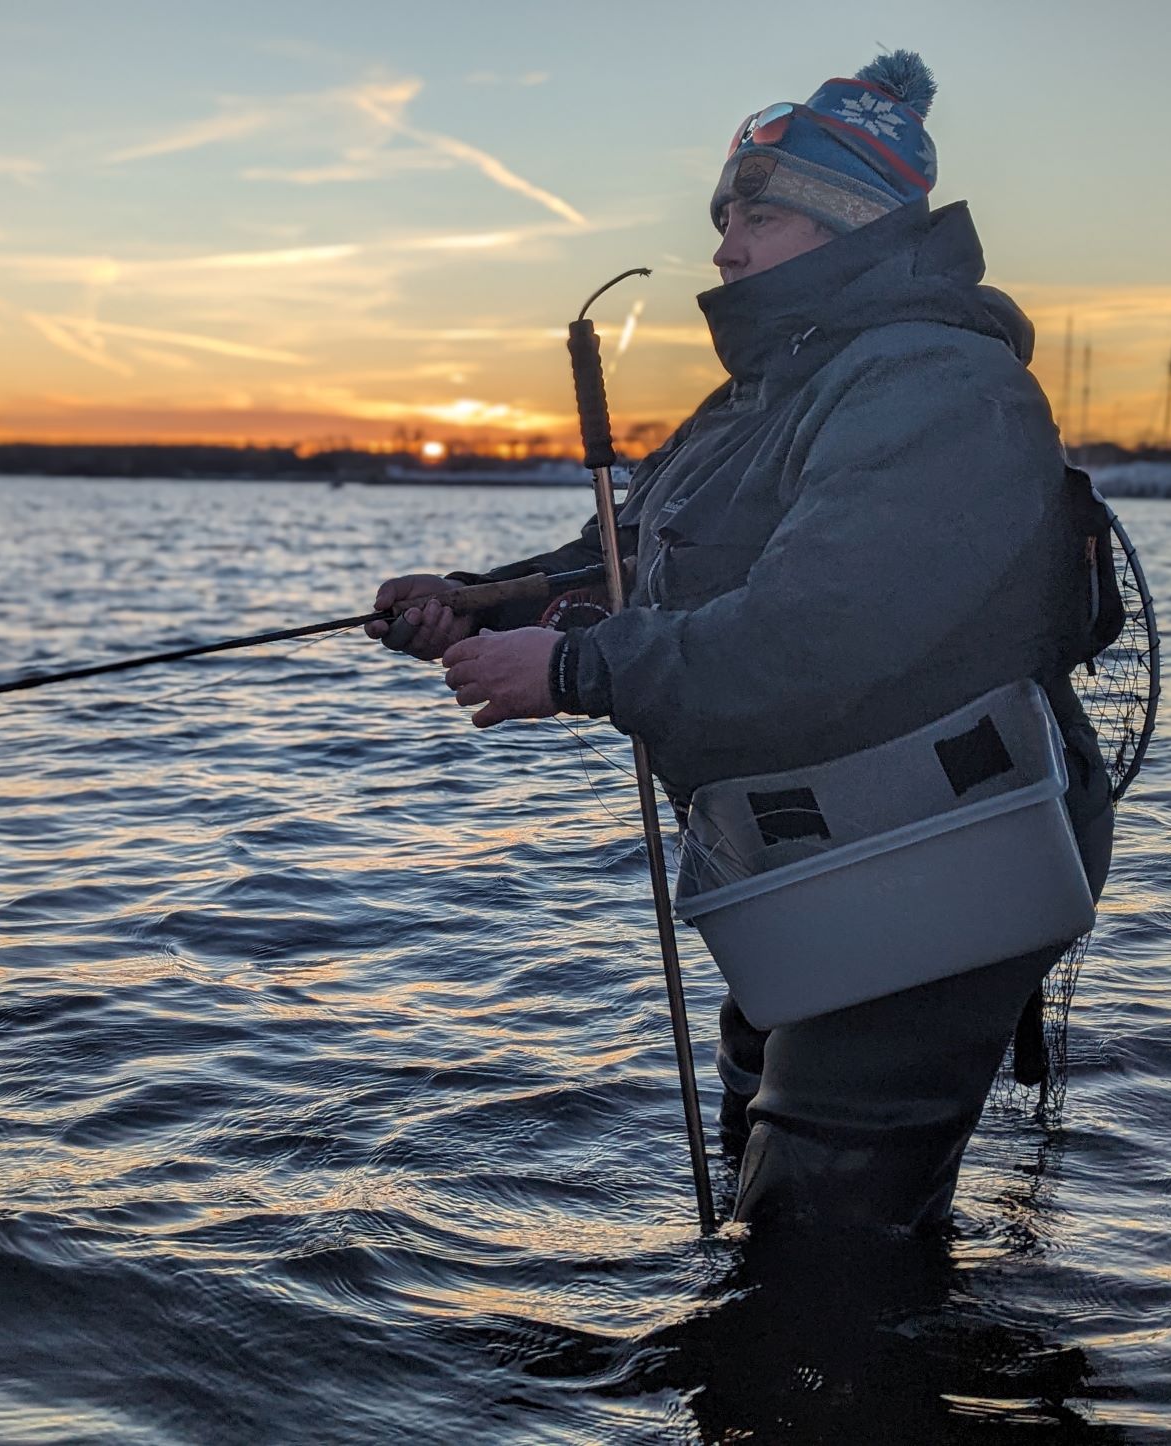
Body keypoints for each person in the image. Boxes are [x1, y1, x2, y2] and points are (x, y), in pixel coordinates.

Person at [366, 50, 1114, 1233]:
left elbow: (820, 632)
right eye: (724, 215)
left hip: (939, 867)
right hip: (803, 862)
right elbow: (622, 562)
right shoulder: (758, 399)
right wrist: (482, 603)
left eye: (756, 213)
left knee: (823, 1242)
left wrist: (570, 671)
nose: (723, 245)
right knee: (763, 1178)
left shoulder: (936, 387)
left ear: (849, 224)